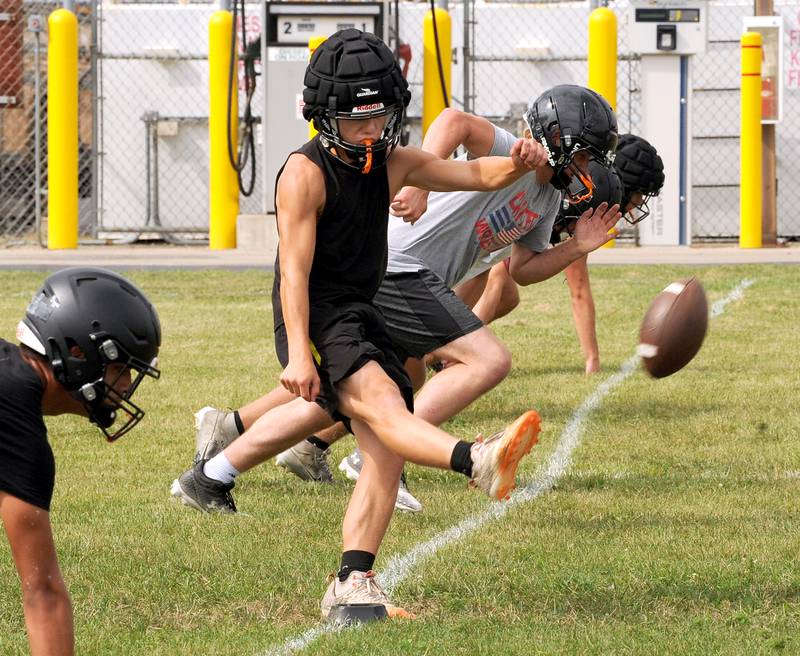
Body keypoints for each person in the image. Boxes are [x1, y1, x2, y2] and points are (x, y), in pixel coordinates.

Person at [170, 29, 543, 618]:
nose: (372, 131)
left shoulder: (392, 162)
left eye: (381, 117)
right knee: (387, 411)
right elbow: (293, 275)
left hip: (364, 309)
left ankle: (351, 582)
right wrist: (298, 354)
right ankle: (476, 459)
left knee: (383, 449)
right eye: (357, 120)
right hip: (318, 316)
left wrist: (521, 162)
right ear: (325, 116)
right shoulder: (304, 174)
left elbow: (477, 176)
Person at [189, 84, 621, 515]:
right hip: (398, 265)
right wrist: (420, 184)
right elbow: (455, 121)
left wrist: (578, 247)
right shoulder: (512, 150)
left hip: (411, 277)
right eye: (583, 156)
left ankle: (216, 471)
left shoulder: (547, 200)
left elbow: (523, 270)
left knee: (358, 394)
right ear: (556, 138)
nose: (586, 170)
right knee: (487, 361)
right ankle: (380, 458)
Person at [1, 267, 161, 656]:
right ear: (77, 353)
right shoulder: (14, 418)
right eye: (119, 369)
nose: (124, 387)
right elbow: (44, 594)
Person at [455, 133, 665, 374]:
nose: (635, 206)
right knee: (493, 278)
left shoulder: (577, 189)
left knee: (508, 297)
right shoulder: (577, 198)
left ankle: (447, 346)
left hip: (487, 248)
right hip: (473, 236)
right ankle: (453, 351)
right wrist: (593, 360)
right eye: (636, 197)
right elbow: (578, 290)